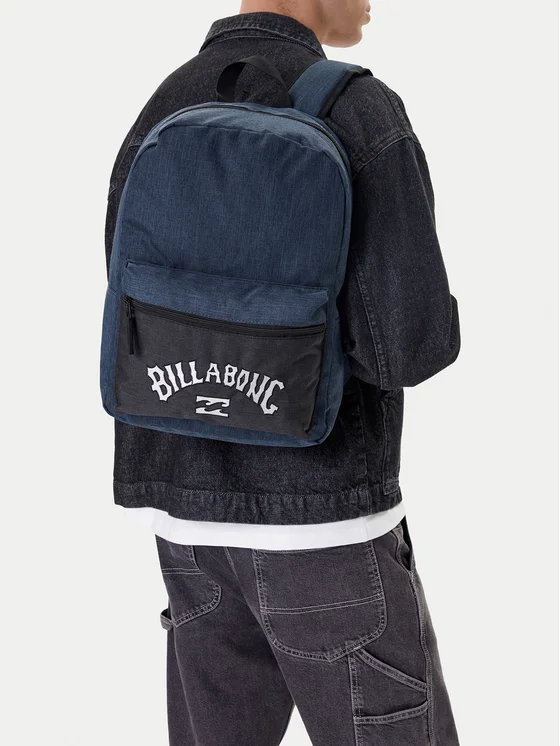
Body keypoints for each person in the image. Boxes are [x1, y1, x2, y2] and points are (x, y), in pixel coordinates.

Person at [104, 2, 461, 744]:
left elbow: (133, 304)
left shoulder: (166, 99)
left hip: (189, 529)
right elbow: (410, 346)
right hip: (329, 532)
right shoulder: (360, 110)